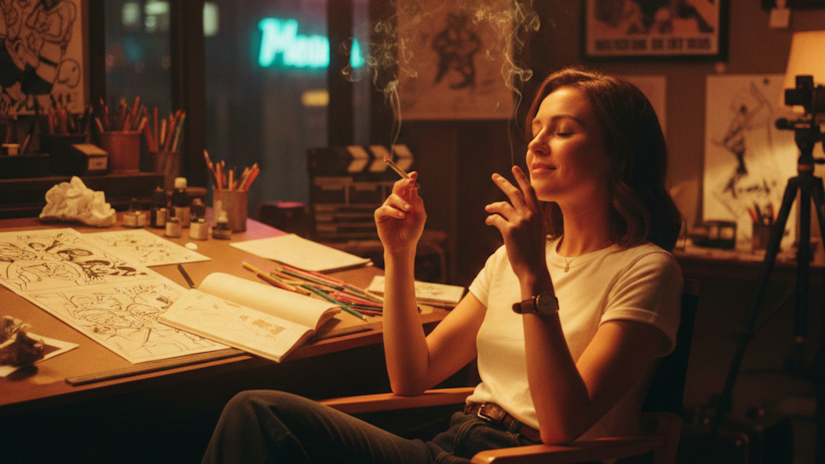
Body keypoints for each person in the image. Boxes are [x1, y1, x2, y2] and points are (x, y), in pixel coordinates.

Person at [201, 66, 684, 464]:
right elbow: (412, 376)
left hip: (528, 459)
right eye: (536, 129)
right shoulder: (507, 260)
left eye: (563, 132)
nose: (537, 144)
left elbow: (561, 425)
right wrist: (399, 252)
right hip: (454, 445)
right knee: (258, 413)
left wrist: (533, 275)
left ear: (617, 154)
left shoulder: (646, 270)